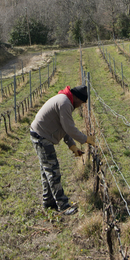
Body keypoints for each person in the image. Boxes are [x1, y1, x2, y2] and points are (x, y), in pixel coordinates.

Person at [29, 84, 95, 215]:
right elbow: (69, 128)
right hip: (41, 137)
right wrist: (85, 139)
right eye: (81, 103)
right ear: (76, 98)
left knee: (47, 171)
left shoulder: (64, 100)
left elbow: (64, 127)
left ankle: (48, 201)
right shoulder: (65, 103)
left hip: (40, 134)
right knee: (53, 171)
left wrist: (72, 146)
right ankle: (63, 206)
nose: (80, 106)